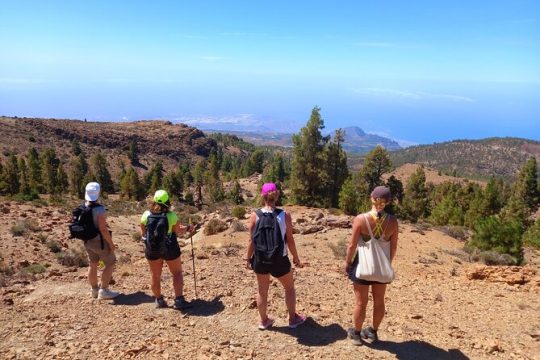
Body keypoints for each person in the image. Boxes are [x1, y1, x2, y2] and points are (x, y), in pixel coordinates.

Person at [245, 182, 306, 330]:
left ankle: (264, 321)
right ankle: (292, 319)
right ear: (276, 195)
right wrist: (296, 258)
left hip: (260, 259)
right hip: (280, 258)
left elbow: (251, 240)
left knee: (262, 291)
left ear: (262, 196)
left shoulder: (255, 215)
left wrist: (247, 259)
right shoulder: (284, 215)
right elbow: (290, 239)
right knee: (289, 288)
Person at [344, 186, 399, 345]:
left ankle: (356, 333)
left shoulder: (361, 219)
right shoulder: (393, 221)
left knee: (361, 302)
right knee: (379, 301)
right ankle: (373, 332)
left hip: (362, 265)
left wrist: (347, 263)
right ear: (387, 202)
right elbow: (393, 247)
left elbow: (352, 245)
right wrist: (386, 264)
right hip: (381, 267)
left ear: (371, 198)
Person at [140, 190, 192, 309]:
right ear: (167, 202)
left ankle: (159, 300)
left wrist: (146, 240)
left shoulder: (146, 215)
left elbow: (143, 231)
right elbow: (178, 231)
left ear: (153, 201)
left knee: (155, 275)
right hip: (170, 248)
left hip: (152, 248)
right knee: (177, 273)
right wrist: (188, 228)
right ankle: (179, 300)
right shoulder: (171, 216)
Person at [83, 182, 120, 300]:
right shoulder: (100, 209)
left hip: (88, 241)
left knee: (92, 264)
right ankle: (104, 290)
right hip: (100, 242)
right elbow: (103, 229)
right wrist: (111, 244)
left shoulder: (83, 206)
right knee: (110, 263)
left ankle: (94, 290)